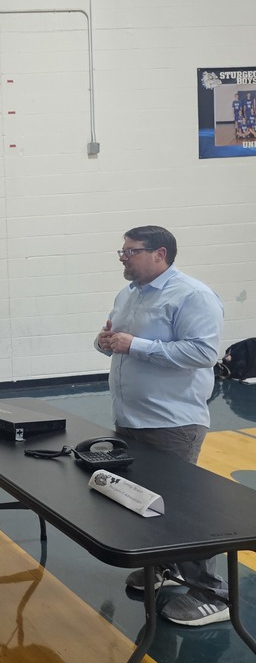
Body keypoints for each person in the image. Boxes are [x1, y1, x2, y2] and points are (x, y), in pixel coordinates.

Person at [95, 225, 228, 626]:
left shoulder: (193, 295)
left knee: (181, 509)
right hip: (131, 418)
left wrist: (133, 344)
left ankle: (212, 594)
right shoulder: (129, 294)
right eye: (121, 251)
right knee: (143, 502)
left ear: (160, 254)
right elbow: (118, 340)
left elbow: (203, 352)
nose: (123, 258)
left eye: (130, 252)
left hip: (172, 421)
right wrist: (105, 342)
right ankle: (165, 568)